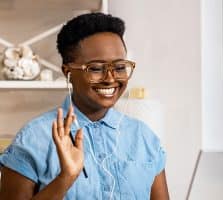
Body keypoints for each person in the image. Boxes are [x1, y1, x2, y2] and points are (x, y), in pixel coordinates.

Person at [0, 13, 169, 199]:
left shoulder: (143, 137)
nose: (111, 78)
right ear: (68, 72)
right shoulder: (34, 138)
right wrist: (66, 178)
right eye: (96, 68)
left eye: (120, 67)